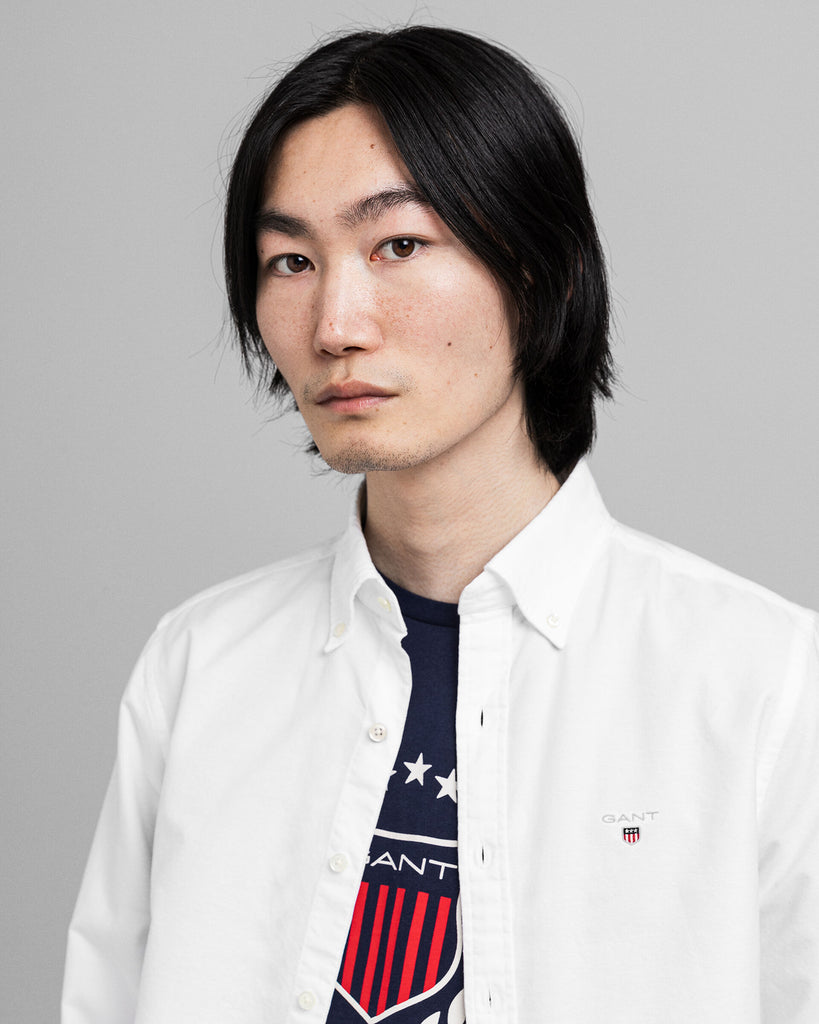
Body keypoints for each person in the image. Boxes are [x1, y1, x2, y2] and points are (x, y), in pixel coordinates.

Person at [61, 25, 818, 1024]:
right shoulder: (200, 667)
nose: (335, 325)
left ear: (538, 269)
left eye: (400, 245)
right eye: (291, 260)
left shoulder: (762, 685)